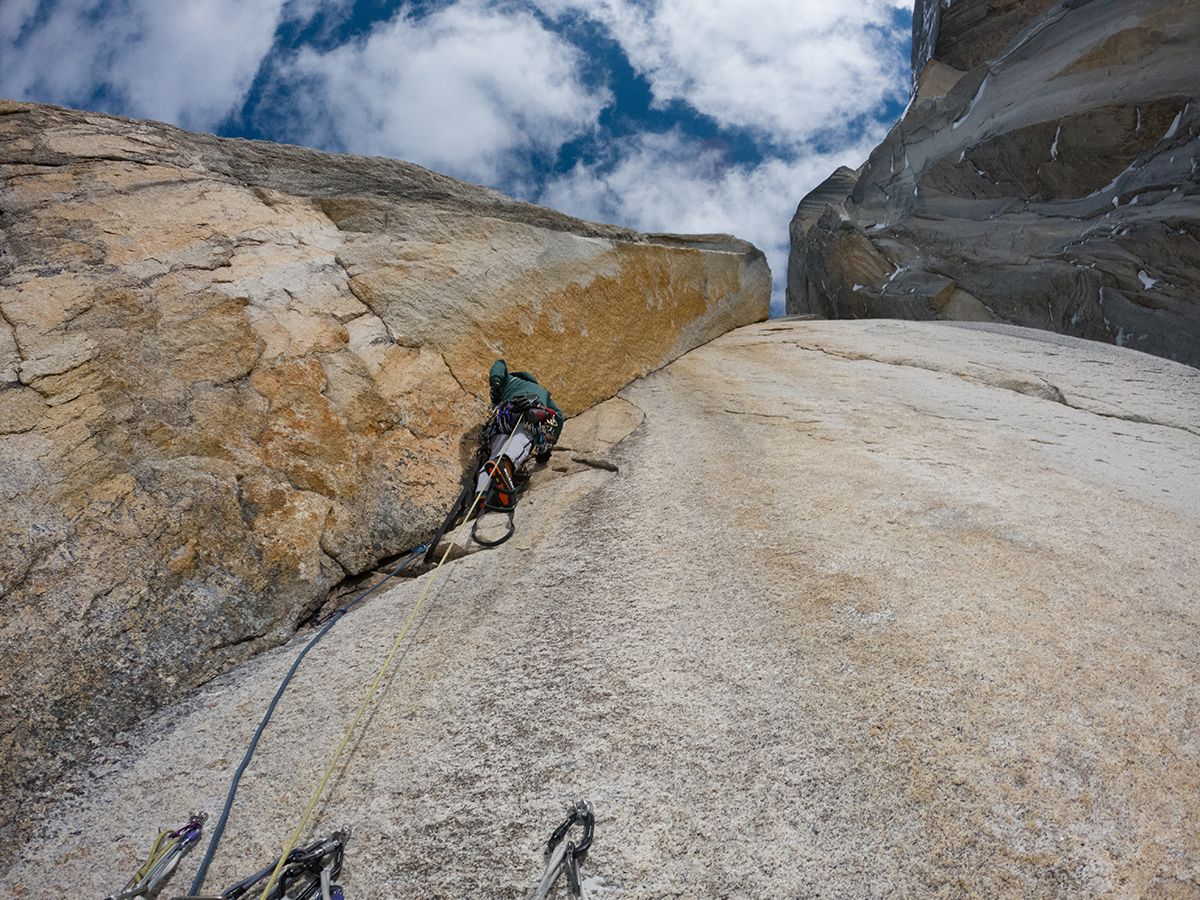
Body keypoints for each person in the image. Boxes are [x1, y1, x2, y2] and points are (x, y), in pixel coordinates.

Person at [476, 359, 564, 508]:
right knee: (524, 437)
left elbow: (500, 363)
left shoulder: (510, 380)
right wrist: (545, 452)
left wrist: (496, 381)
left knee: (496, 449)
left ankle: (482, 492)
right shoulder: (543, 392)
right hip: (533, 411)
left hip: (505, 414)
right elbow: (558, 417)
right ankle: (506, 463)